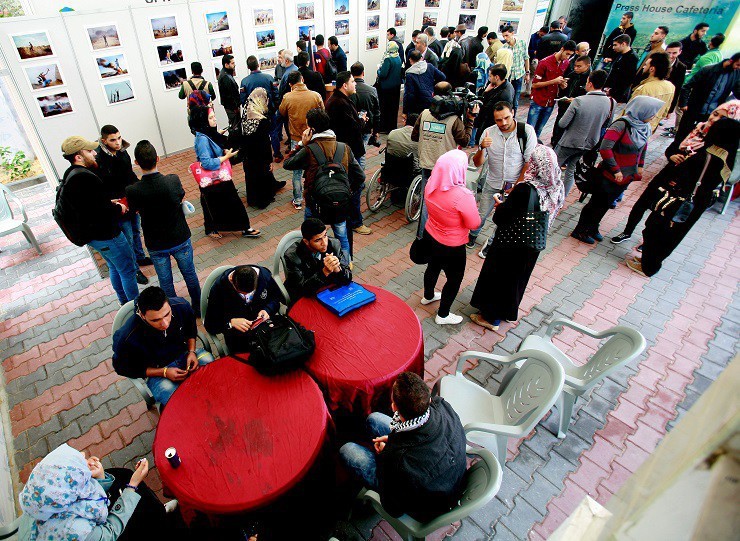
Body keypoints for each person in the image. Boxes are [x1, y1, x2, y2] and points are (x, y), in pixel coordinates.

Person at [339, 372, 467, 522]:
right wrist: (393, 441)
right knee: (374, 419)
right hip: (447, 478)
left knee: (348, 451)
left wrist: (386, 453)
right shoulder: (442, 406)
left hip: (422, 503)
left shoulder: (400, 461)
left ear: (394, 407)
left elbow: (393, 507)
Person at [612, 100, 740, 246]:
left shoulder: (721, 145)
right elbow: (672, 148)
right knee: (642, 203)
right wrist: (672, 155)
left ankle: (646, 245)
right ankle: (627, 231)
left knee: (661, 215)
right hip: (669, 173)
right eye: (715, 113)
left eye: (721, 118)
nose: (714, 118)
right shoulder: (697, 128)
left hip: (683, 186)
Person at [470, 145, 564, 330]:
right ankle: (506, 312)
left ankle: (490, 318)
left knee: (501, 278)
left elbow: (501, 218)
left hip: (511, 244)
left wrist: (500, 206)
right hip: (533, 242)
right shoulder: (556, 186)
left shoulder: (526, 189)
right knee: (517, 281)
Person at [631, 118, 739, 277]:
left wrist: (681, 163)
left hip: (680, 200)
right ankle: (649, 262)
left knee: (657, 229)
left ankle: (648, 266)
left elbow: (684, 175)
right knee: (672, 233)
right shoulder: (726, 156)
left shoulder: (708, 156)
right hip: (696, 203)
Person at [18, 444, 166, 541]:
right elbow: (110, 533)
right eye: (79, 460)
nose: (83, 454)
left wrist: (99, 478)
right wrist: (132, 485)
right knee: (145, 511)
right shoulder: (75, 531)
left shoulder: (40, 499)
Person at [570, 96, 664, 244]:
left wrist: (640, 166)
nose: (654, 116)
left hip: (626, 176)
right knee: (596, 203)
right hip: (609, 175)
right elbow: (605, 148)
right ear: (642, 110)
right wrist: (616, 170)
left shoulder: (644, 127)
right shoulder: (621, 125)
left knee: (606, 204)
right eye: (652, 112)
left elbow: (643, 147)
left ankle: (593, 227)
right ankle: (580, 230)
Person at [58, 136, 138, 305]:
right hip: (107, 235)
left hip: (95, 237)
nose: (95, 153)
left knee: (114, 267)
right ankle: (136, 308)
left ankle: (124, 303)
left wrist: (108, 203)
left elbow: (90, 205)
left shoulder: (71, 174)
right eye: (89, 151)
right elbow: (101, 212)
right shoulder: (84, 178)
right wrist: (118, 208)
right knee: (128, 270)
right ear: (78, 157)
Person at [126, 141, 201, 314]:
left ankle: (173, 312)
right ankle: (198, 308)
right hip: (180, 237)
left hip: (156, 243)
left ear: (136, 163)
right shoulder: (173, 180)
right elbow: (180, 195)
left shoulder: (132, 190)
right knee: (190, 274)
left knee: (165, 281)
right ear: (158, 158)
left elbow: (134, 209)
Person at [112, 286, 214, 405]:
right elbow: (122, 368)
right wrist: (164, 372)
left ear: (169, 305)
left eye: (167, 314)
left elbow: (191, 330)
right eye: (155, 320)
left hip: (185, 354)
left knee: (213, 375)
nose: (165, 324)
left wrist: (192, 351)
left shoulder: (181, 306)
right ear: (142, 315)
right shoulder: (126, 338)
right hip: (157, 370)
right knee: (178, 403)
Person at [284, 108, 364, 258]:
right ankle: (346, 264)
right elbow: (360, 176)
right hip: (340, 203)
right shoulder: (344, 148)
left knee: (314, 238)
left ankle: (316, 265)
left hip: (315, 203)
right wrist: (348, 191)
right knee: (342, 237)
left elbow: (287, 164)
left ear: (312, 130)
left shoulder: (309, 150)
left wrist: (301, 144)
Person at [418, 150, 480, 325]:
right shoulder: (463, 196)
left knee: (433, 267)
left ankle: (428, 296)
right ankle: (443, 315)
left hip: (431, 235)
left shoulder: (431, 184)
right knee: (454, 279)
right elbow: (474, 224)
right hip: (452, 245)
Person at [470, 101, 536, 252]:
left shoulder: (526, 131)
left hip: (514, 184)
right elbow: (477, 163)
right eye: (499, 120)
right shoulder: (489, 132)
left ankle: (492, 243)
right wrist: (481, 148)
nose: (503, 123)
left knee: (506, 218)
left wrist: (517, 186)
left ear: (513, 112)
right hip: (492, 182)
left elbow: (528, 163)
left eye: (506, 117)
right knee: (482, 213)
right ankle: (472, 235)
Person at [412, 82, 476, 236]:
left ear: (433, 95)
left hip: (426, 163)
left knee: (427, 199)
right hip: (446, 170)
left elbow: (414, 136)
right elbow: (465, 141)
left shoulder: (424, 113)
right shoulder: (454, 120)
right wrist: (470, 120)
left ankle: (422, 235)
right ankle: (434, 232)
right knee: (443, 200)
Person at [190, 105, 261, 239]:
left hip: (218, 176)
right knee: (214, 205)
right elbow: (206, 162)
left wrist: (223, 149)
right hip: (213, 177)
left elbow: (214, 147)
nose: (215, 119)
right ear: (203, 121)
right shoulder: (202, 139)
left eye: (214, 116)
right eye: (211, 117)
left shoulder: (208, 133)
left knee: (227, 202)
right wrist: (225, 157)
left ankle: (244, 227)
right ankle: (216, 228)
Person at [95, 125, 150, 285]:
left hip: (130, 199)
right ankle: (135, 269)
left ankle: (140, 257)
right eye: (113, 140)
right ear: (104, 141)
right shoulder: (99, 159)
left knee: (136, 231)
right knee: (128, 239)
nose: (118, 142)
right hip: (119, 205)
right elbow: (102, 186)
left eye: (119, 138)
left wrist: (139, 189)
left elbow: (129, 174)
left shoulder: (122, 152)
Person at [555, 70, 614, 196]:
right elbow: (607, 124)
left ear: (590, 83)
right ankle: (563, 196)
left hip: (569, 142)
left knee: (552, 168)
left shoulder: (579, 101)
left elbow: (562, 123)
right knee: (571, 170)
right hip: (589, 144)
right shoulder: (609, 102)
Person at [326, 71, 371, 236]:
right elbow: (352, 128)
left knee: (355, 183)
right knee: (356, 184)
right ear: (344, 85)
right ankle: (355, 222)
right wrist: (362, 121)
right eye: (352, 81)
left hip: (346, 150)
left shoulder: (339, 100)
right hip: (348, 152)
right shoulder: (339, 103)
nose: (355, 84)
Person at [203, 264, 283, 353]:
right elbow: (210, 325)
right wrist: (230, 323)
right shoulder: (218, 290)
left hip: (266, 331)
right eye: (241, 293)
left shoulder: (264, 277)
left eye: (252, 292)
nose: (247, 297)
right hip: (239, 341)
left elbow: (276, 299)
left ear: (257, 278)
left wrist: (267, 310)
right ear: (231, 280)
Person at [279, 70, 325, 210]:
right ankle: (317, 196)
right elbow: (323, 113)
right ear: (302, 79)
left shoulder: (287, 97)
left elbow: (282, 112)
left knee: (297, 171)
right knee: (316, 167)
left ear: (290, 84)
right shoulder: (315, 95)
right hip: (313, 136)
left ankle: (298, 200)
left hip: (296, 137)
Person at [675, 54, 740, 146]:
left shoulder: (736, 74)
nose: (738, 68)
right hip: (694, 110)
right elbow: (687, 86)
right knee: (681, 136)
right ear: (730, 61)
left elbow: (737, 91)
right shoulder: (708, 69)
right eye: (738, 65)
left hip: (711, 114)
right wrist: (683, 103)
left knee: (699, 140)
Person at [284, 217, 352, 302]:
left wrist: (338, 269)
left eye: (325, 236)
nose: (324, 243)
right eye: (318, 240)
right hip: (306, 297)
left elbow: (347, 279)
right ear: (306, 242)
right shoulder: (293, 256)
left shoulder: (334, 244)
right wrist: (324, 272)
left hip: (329, 291)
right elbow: (302, 290)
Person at [241, 88, 286, 208]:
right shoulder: (262, 120)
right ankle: (262, 200)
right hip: (260, 156)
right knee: (262, 176)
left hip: (249, 155)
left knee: (251, 177)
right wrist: (269, 161)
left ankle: (253, 199)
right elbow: (265, 143)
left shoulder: (246, 115)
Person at [528, 40, 577, 138]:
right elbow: (534, 85)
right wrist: (553, 81)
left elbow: (559, 81)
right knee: (530, 130)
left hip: (550, 101)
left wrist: (562, 84)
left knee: (539, 130)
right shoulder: (544, 63)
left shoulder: (566, 63)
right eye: (567, 54)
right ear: (562, 49)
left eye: (570, 55)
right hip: (538, 100)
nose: (567, 57)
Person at [239, 55, 281, 162]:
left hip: (254, 114)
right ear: (258, 65)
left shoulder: (244, 82)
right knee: (273, 132)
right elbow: (276, 94)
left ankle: (262, 157)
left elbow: (243, 100)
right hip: (269, 111)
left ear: (248, 67)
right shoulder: (269, 78)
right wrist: (274, 108)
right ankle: (277, 154)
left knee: (258, 135)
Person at [550, 55, 592, 148]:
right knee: (559, 125)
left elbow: (590, 97)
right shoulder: (572, 74)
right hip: (564, 106)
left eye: (579, 66)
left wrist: (577, 100)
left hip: (577, 109)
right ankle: (555, 142)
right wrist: (562, 86)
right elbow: (563, 89)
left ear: (587, 65)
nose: (576, 68)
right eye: (575, 66)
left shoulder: (590, 79)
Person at [628, 52, 674, 132]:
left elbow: (629, 113)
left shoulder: (644, 89)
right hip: (650, 128)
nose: (643, 67)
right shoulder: (671, 87)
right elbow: (665, 112)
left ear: (652, 69)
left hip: (633, 130)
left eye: (646, 65)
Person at [474, 64, 515, 140]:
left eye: (490, 76)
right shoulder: (505, 85)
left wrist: (485, 93)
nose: (489, 78)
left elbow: (486, 108)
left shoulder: (502, 94)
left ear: (496, 77)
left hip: (493, 126)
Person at [350, 62, 381, 160]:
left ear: (351, 74)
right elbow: (377, 112)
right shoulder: (372, 90)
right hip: (366, 126)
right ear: (363, 73)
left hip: (352, 126)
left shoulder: (348, 90)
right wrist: (375, 131)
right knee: (361, 154)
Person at [500, 25, 530, 113]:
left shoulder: (522, 43)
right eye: (503, 36)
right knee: (508, 98)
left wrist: (527, 73)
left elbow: (526, 58)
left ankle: (514, 116)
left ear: (512, 33)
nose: (505, 38)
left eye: (507, 35)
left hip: (518, 74)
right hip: (508, 76)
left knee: (515, 99)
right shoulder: (504, 47)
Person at [376, 41, 403, 134]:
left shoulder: (388, 59)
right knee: (393, 108)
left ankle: (384, 127)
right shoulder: (398, 57)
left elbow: (383, 74)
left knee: (385, 108)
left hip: (386, 88)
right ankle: (392, 127)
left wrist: (378, 70)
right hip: (396, 87)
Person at [603, 34, 639, 105]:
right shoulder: (620, 54)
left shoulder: (632, 59)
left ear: (623, 44)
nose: (613, 47)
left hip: (617, 96)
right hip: (610, 90)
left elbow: (626, 80)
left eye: (615, 45)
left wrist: (612, 92)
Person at [217, 54, 241, 136]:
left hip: (232, 107)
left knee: (235, 126)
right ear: (226, 65)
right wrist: (235, 107)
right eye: (232, 63)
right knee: (235, 128)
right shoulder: (225, 77)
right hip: (232, 108)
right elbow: (230, 95)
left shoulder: (226, 74)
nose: (234, 65)